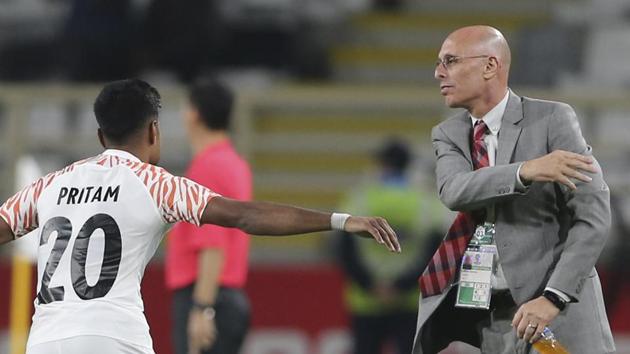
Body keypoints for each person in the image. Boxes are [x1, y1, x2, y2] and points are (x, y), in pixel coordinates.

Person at [0, 79, 400, 354]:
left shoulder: (49, 185)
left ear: (101, 136)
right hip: (114, 338)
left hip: (45, 340)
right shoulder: (156, 184)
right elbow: (244, 216)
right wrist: (339, 220)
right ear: (154, 131)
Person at [412, 26, 614, 354]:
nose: (438, 73)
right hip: (493, 319)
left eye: (450, 61)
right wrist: (526, 171)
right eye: (439, 63)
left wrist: (553, 297)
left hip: (558, 310)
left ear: (490, 66)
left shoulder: (552, 119)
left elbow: (593, 218)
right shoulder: (449, 134)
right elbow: (454, 190)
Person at [165, 80, 252, 354]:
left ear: (194, 114)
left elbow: (213, 246)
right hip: (227, 297)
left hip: (208, 296)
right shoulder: (235, 164)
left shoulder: (206, 169)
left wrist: (202, 308)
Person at [336, 139, 446, 354]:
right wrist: (401, 286)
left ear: (381, 164)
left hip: (366, 299)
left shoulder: (360, 199)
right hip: (409, 299)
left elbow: (344, 249)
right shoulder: (424, 201)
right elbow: (434, 253)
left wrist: (369, 285)